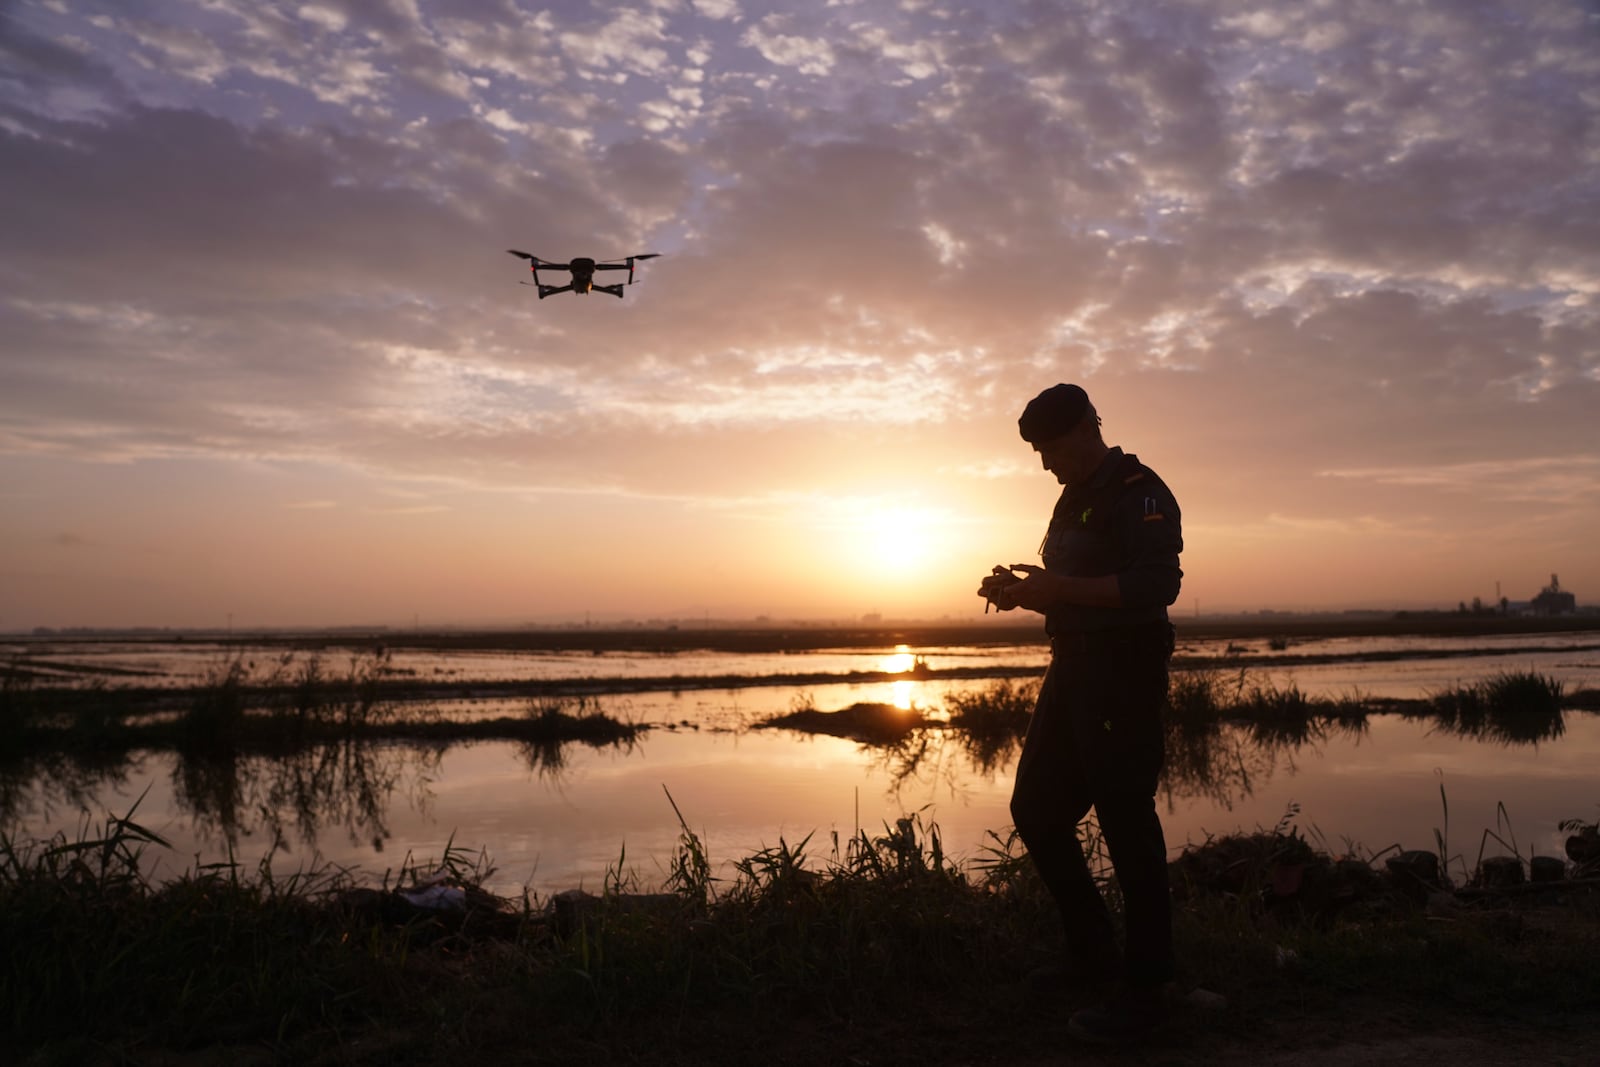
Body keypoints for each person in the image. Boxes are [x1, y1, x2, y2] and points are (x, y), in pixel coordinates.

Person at [977, 382, 1183, 1044]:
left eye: (1050, 448)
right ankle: (1093, 951)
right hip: (1073, 668)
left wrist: (1057, 588)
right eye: (1037, 451)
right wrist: (1023, 593)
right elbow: (1074, 592)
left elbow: (1157, 585)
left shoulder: (1140, 490)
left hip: (1123, 669)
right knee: (1036, 808)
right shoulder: (1072, 498)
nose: (1043, 463)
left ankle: (1151, 987)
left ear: (1086, 430)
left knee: (1126, 819)